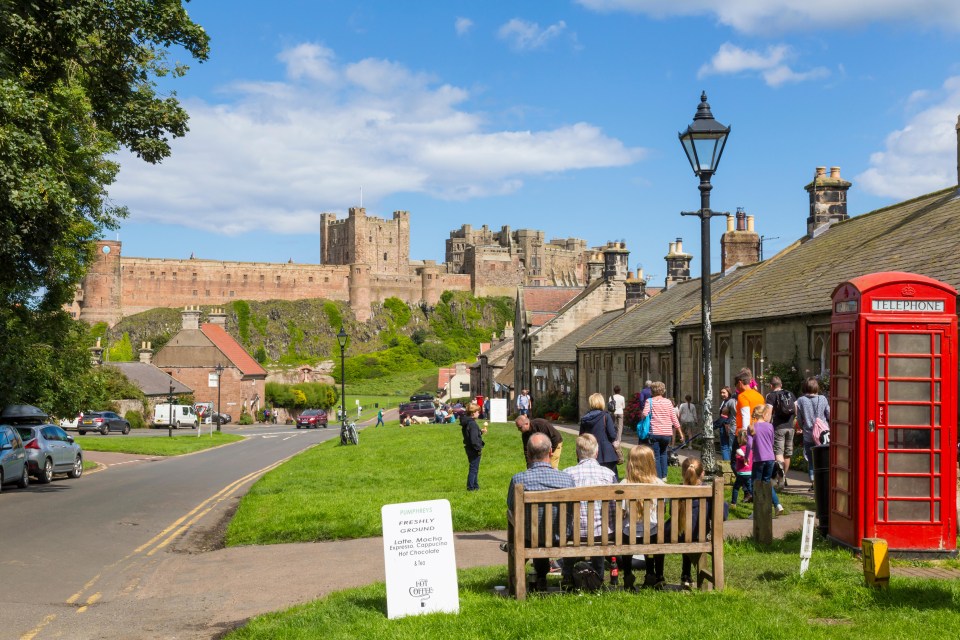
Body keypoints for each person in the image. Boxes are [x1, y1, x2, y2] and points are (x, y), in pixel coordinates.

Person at [506, 432, 576, 591]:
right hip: (561, 537)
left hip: (530, 537)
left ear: (528, 453)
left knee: (533, 528)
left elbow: (511, 507)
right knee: (547, 526)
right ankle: (548, 577)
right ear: (551, 452)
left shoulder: (518, 480)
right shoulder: (566, 479)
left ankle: (530, 578)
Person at [561, 433, 618, 590]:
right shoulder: (609, 474)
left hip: (574, 532)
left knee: (574, 526)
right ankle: (598, 576)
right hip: (602, 532)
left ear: (577, 453)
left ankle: (567, 576)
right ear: (597, 452)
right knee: (599, 529)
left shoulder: (567, 474)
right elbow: (615, 507)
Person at [617, 444, 666, 590]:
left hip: (628, 532)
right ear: (651, 462)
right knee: (655, 535)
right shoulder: (659, 484)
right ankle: (655, 574)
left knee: (626, 532)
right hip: (652, 532)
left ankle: (627, 574)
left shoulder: (624, 484)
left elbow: (621, 512)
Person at [675, 457, 727, 589]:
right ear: (702, 473)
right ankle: (688, 576)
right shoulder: (709, 491)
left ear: (683, 473)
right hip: (701, 536)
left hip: (679, 536)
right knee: (693, 534)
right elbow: (723, 515)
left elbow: (672, 513)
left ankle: (685, 575)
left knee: (685, 533)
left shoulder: (678, 490)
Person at [641, 381, 683, 480]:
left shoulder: (649, 401)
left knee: (656, 455)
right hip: (667, 434)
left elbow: (644, 414)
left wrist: (645, 417)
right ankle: (664, 476)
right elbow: (674, 418)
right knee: (663, 454)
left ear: (652, 391)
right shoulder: (668, 402)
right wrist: (680, 433)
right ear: (663, 391)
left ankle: (658, 477)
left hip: (655, 432)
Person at [748, 404, 783, 514]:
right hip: (770, 459)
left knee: (756, 484)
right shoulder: (770, 426)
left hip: (759, 459)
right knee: (767, 483)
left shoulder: (751, 427)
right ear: (764, 414)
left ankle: (757, 511)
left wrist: (746, 457)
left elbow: (749, 444)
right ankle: (777, 505)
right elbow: (772, 442)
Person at [796, 376, 830, 486]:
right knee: (825, 459)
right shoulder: (823, 399)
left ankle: (813, 484)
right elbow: (829, 414)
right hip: (823, 434)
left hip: (808, 434)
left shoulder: (800, 400)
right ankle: (824, 482)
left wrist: (803, 427)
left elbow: (800, 419)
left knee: (811, 460)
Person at [764, 376, 797, 488]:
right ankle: (784, 477)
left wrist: (765, 426)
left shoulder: (771, 396)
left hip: (778, 427)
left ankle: (780, 479)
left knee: (778, 453)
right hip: (790, 427)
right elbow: (796, 409)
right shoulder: (790, 394)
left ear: (771, 386)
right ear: (781, 385)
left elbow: (768, 414)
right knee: (787, 454)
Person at [578, 392, 620, 479]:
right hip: (607, 454)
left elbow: (581, 438)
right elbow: (612, 435)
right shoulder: (606, 416)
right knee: (611, 480)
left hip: (590, 452)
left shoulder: (584, 419)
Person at [461, 402, 487, 491]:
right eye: (477, 412)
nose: (479, 413)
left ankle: (475, 486)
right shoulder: (472, 424)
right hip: (473, 449)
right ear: (473, 413)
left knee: (474, 468)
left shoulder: (468, 422)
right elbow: (473, 439)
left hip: (468, 447)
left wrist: (480, 432)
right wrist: (478, 448)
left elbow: (471, 434)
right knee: (473, 468)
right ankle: (470, 487)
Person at [734, 370, 765, 438]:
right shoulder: (759, 396)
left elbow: (746, 415)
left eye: (735, 385)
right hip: (759, 431)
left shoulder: (742, 396)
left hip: (745, 433)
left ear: (740, 383)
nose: (736, 388)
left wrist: (744, 435)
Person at [731, 430, 753, 505]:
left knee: (736, 488)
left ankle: (733, 503)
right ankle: (756, 500)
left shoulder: (739, 450)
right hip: (749, 472)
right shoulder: (750, 450)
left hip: (741, 473)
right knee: (750, 488)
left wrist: (737, 457)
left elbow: (741, 459)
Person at [718, 386, 737, 461]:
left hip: (727, 426)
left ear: (728, 393)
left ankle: (728, 463)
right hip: (725, 425)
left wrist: (715, 425)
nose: (722, 394)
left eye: (724, 393)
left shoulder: (729, 402)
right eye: (721, 393)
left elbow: (726, 416)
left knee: (726, 446)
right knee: (726, 446)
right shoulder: (724, 401)